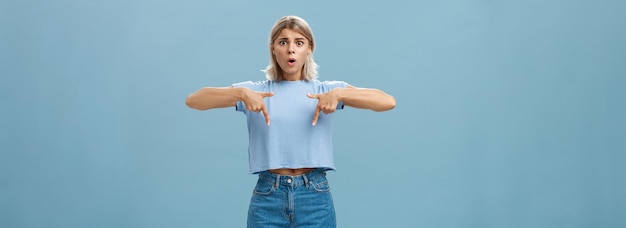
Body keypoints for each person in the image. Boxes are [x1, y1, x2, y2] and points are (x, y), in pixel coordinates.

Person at [186, 15, 395, 228]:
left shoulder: (324, 90)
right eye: (283, 42)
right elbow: (194, 100)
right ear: (273, 48)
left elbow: (387, 102)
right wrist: (240, 94)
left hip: (315, 196)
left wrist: (340, 94)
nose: (291, 49)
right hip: (268, 196)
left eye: (299, 42)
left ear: (309, 48)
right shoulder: (256, 91)